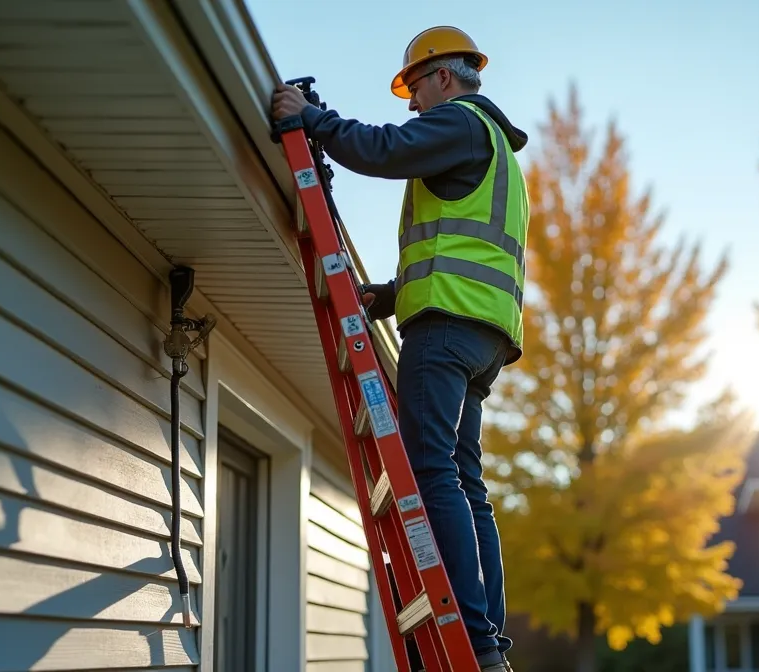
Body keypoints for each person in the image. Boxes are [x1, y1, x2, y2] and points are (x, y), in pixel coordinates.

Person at [270, 25, 529, 672]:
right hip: (483, 333)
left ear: (444, 74)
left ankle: (471, 640)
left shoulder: (462, 123)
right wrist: (384, 296)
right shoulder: (496, 149)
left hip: (445, 330)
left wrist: (313, 120)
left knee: (432, 471)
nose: (410, 103)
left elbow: (381, 150)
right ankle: (489, 642)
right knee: (466, 482)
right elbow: (458, 249)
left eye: (414, 87)